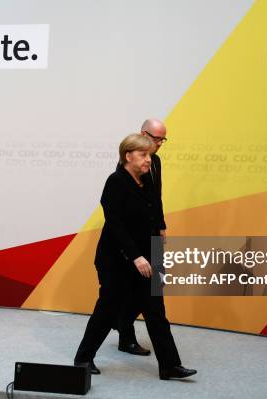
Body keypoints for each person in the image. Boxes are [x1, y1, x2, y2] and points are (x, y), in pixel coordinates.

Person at [74, 134, 196, 380]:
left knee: (156, 311)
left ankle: (169, 365)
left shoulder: (145, 181)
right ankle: (83, 358)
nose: (148, 160)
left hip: (148, 256)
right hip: (117, 259)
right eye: (143, 155)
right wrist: (136, 257)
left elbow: (153, 214)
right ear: (128, 156)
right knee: (107, 310)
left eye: (149, 155)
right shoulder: (115, 182)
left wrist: (156, 249)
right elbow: (116, 225)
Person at [117, 118, 168, 356]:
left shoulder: (155, 162)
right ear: (142, 133)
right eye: (155, 138)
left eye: (162, 140)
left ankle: (122, 322)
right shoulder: (126, 169)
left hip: (153, 233)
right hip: (137, 240)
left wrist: (161, 225)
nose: (158, 144)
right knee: (141, 289)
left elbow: (156, 198)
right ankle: (126, 335)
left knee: (157, 282)